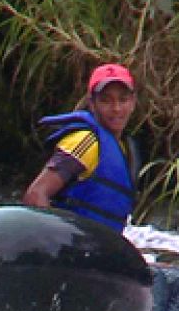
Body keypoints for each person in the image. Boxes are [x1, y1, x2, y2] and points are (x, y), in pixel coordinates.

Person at [22, 63, 139, 231]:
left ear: (133, 102)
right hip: (71, 246)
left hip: (98, 248)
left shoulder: (124, 150)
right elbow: (35, 195)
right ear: (92, 103)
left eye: (123, 99)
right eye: (106, 100)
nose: (116, 109)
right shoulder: (85, 141)